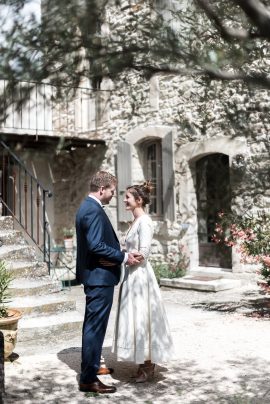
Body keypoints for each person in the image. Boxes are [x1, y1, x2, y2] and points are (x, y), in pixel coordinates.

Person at [76, 171, 142, 394]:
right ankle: (88, 379)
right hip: (99, 277)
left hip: (96, 275)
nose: (114, 195)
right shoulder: (93, 211)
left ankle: (94, 366)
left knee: (94, 326)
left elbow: (96, 244)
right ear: (102, 189)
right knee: (94, 327)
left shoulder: (87, 207)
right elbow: (95, 245)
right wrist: (123, 256)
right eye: (113, 191)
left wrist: (116, 252)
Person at [112, 181, 174, 382]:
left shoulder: (145, 221)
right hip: (132, 274)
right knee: (134, 317)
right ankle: (142, 363)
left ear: (138, 200)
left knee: (142, 317)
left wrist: (126, 256)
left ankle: (148, 366)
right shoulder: (135, 222)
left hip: (140, 277)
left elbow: (144, 253)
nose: (124, 200)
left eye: (128, 197)